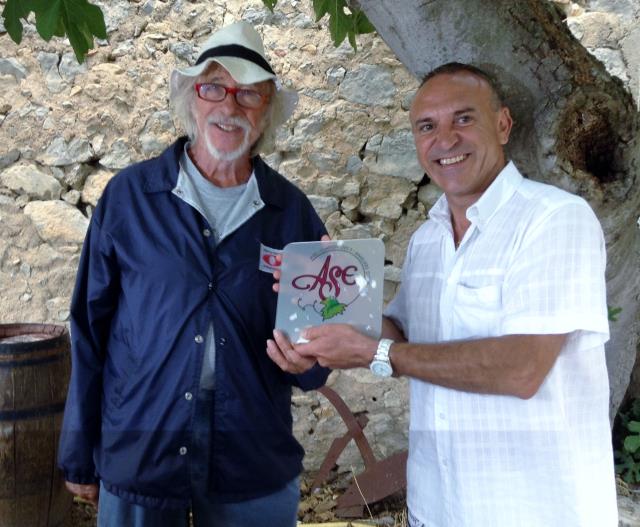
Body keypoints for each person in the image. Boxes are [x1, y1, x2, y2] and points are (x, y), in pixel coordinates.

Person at [267, 63, 618, 526]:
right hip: (437, 506)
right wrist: (333, 300)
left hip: (532, 509)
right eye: (427, 127)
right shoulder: (428, 239)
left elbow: (522, 369)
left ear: (503, 124)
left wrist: (377, 353)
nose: (445, 139)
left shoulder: (553, 220)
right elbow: (405, 331)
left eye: (464, 118)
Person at [58, 21, 329, 527]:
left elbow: (318, 357)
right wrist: (79, 447)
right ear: (190, 98)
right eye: (213, 88)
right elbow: (90, 329)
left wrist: (311, 359)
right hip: (141, 443)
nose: (229, 106)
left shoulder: (290, 212)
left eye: (248, 93)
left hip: (252, 453)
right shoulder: (130, 198)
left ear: (267, 109)